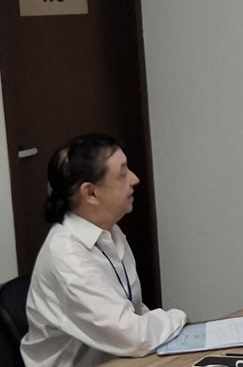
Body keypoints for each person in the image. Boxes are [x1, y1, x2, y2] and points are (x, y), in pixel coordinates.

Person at [21, 134, 188, 367]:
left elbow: (134, 313)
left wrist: (165, 328)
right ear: (91, 193)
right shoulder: (66, 255)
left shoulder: (110, 232)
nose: (135, 179)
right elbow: (131, 336)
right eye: (122, 174)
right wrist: (178, 318)